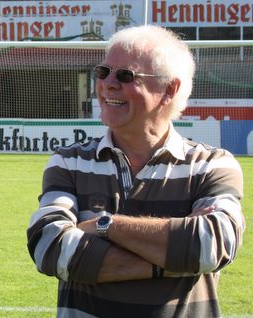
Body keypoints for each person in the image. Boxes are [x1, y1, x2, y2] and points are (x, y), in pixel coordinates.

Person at [26, 25, 245, 317]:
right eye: (103, 72)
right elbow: (50, 248)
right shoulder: (69, 162)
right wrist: (173, 258)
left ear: (169, 89)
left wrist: (104, 225)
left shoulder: (211, 165)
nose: (108, 84)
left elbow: (212, 245)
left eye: (125, 75)